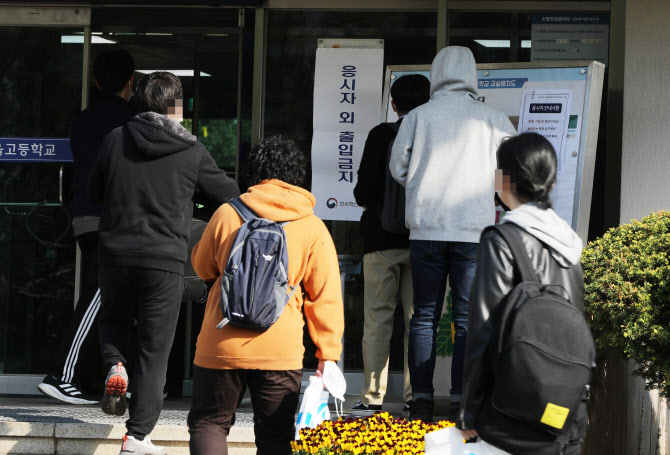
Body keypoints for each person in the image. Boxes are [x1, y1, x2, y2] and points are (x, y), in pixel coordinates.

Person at [89, 71, 240, 455]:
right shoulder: (192, 151)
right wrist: (191, 203)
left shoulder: (114, 139)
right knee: (154, 349)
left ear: (139, 101)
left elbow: (94, 191)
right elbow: (230, 198)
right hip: (165, 259)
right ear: (177, 108)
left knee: (112, 320)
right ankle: (137, 436)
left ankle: (115, 365)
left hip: (116, 252)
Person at [187, 135, 344, 455]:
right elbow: (325, 296)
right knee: (275, 437)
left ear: (254, 172)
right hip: (279, 347)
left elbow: (202, 268)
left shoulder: (227, 214)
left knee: (210, 424)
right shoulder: (312, 226)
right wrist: (327, 354)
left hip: (221, 342)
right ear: (297, 176)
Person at [389, 46, 516, 422]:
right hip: (473, 229)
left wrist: (419, 181)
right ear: (472, 75)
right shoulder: (492, 119)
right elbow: (511, 171)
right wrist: (488, 188)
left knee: (424, 315)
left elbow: (398, 167)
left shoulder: (418, 117)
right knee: (466, 316)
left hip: (426, 228)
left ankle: (423, 400)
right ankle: (462, 399)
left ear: (437, 73)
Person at [459, 132, 587, 454]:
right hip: (565, 406)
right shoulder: (570, 244)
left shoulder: (502, 239)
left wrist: (470, 410)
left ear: (503, 180)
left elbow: (483, 329)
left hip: (512, 407)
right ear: (552, 183)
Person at [38, 50, 135, 405]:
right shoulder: (132, 120)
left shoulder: (82, 120)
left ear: (96, 82)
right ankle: (63, 375)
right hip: (114, 222)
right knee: (99, 296)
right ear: (131, 81)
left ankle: (101, 377)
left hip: (85, 218)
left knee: (112, 301)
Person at [351, 74, 430, 418]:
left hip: (381, 241)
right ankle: (416, 396)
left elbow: (363, 191)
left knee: (377, 319)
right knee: (420, 321)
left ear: (394, 104)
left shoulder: (381, 135)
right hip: (424, 241)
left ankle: (373, 397)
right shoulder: (433, 135)